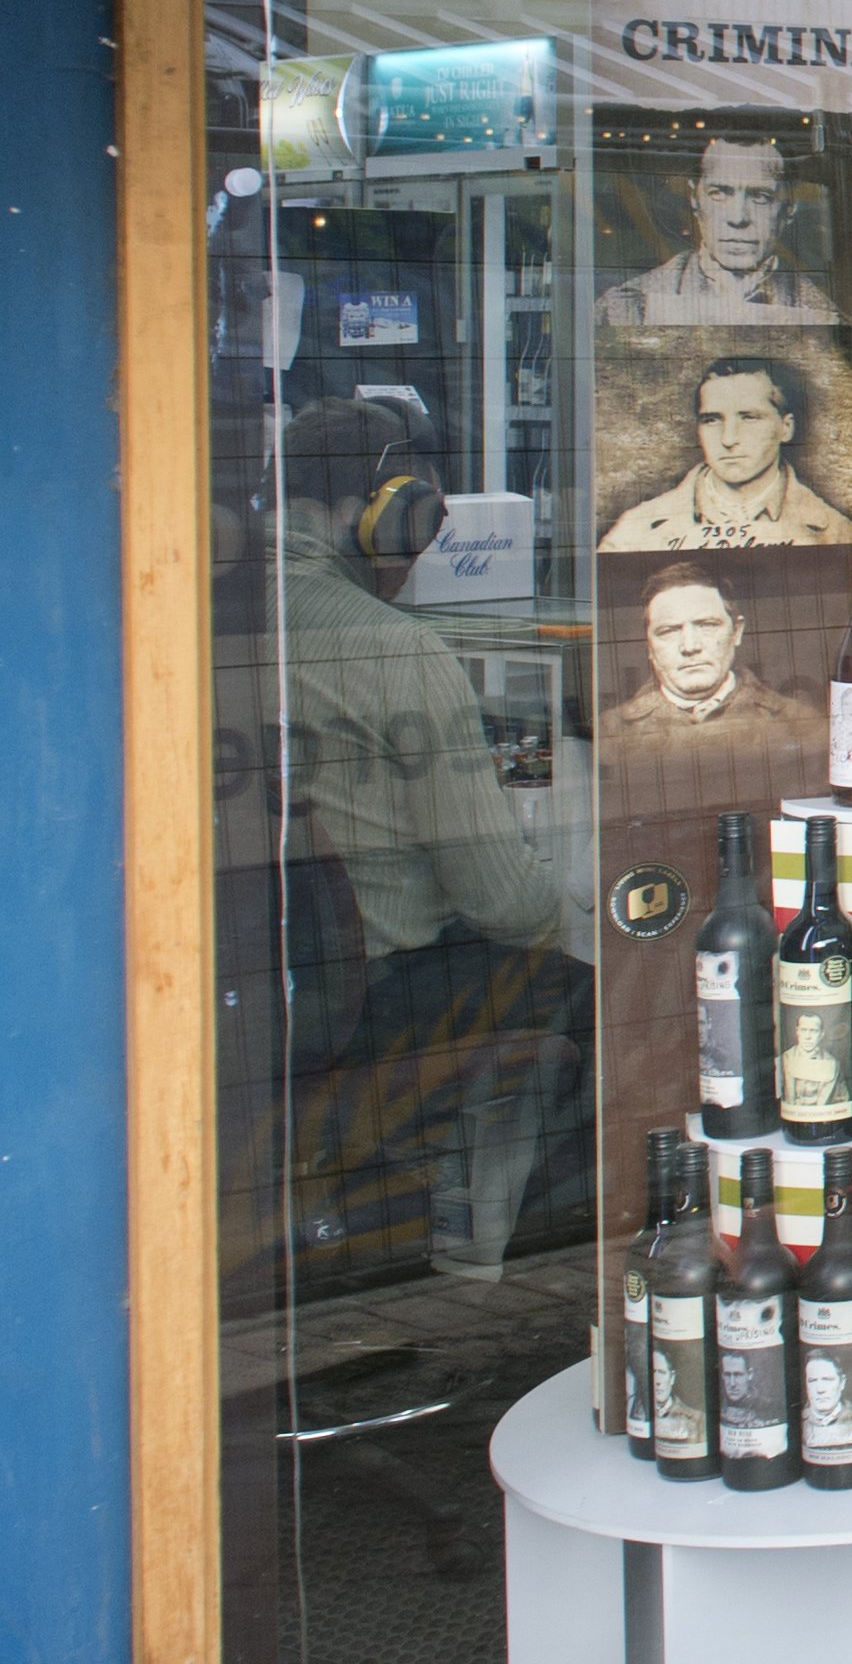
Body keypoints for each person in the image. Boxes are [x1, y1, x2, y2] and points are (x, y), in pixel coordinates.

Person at [269, 398, 591, 1259]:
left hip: (269, 996)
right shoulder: (399, 653)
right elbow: (508, 904)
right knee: (599, 999)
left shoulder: (203, 622)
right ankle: (532, 1288)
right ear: (392, 515)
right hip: (370, 992)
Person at [601, 558, 827, 811]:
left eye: (707, 626)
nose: (690, 646)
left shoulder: (799, 723)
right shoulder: (610, 731)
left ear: (736, 631)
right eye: (668, 631)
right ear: (649, 646)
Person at [604, 354, 852, 551]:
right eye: (712, 420)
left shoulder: (835, 531)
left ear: (785, 428)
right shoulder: (635, 530)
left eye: (749, 418)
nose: (728, 439)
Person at [598, 134, 839, 325]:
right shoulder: (628, 307)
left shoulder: (823, 315)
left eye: (760, 197)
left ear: (788, 209)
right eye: (719, 193)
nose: (738, 218)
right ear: (695, 199)